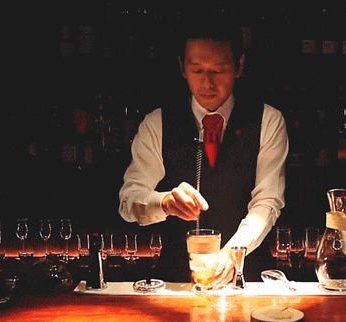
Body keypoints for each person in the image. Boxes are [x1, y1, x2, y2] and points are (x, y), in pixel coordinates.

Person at [118, 21, 288, 284]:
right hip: (175, 282)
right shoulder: (157, 123)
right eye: (197, 70)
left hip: (248, 278)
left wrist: (234, 252)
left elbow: (268, 201)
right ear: (182, 68)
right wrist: (164, 203)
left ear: (239, 66)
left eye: (218, 71)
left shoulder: (267, 120)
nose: (207, 83)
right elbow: (129, 202)